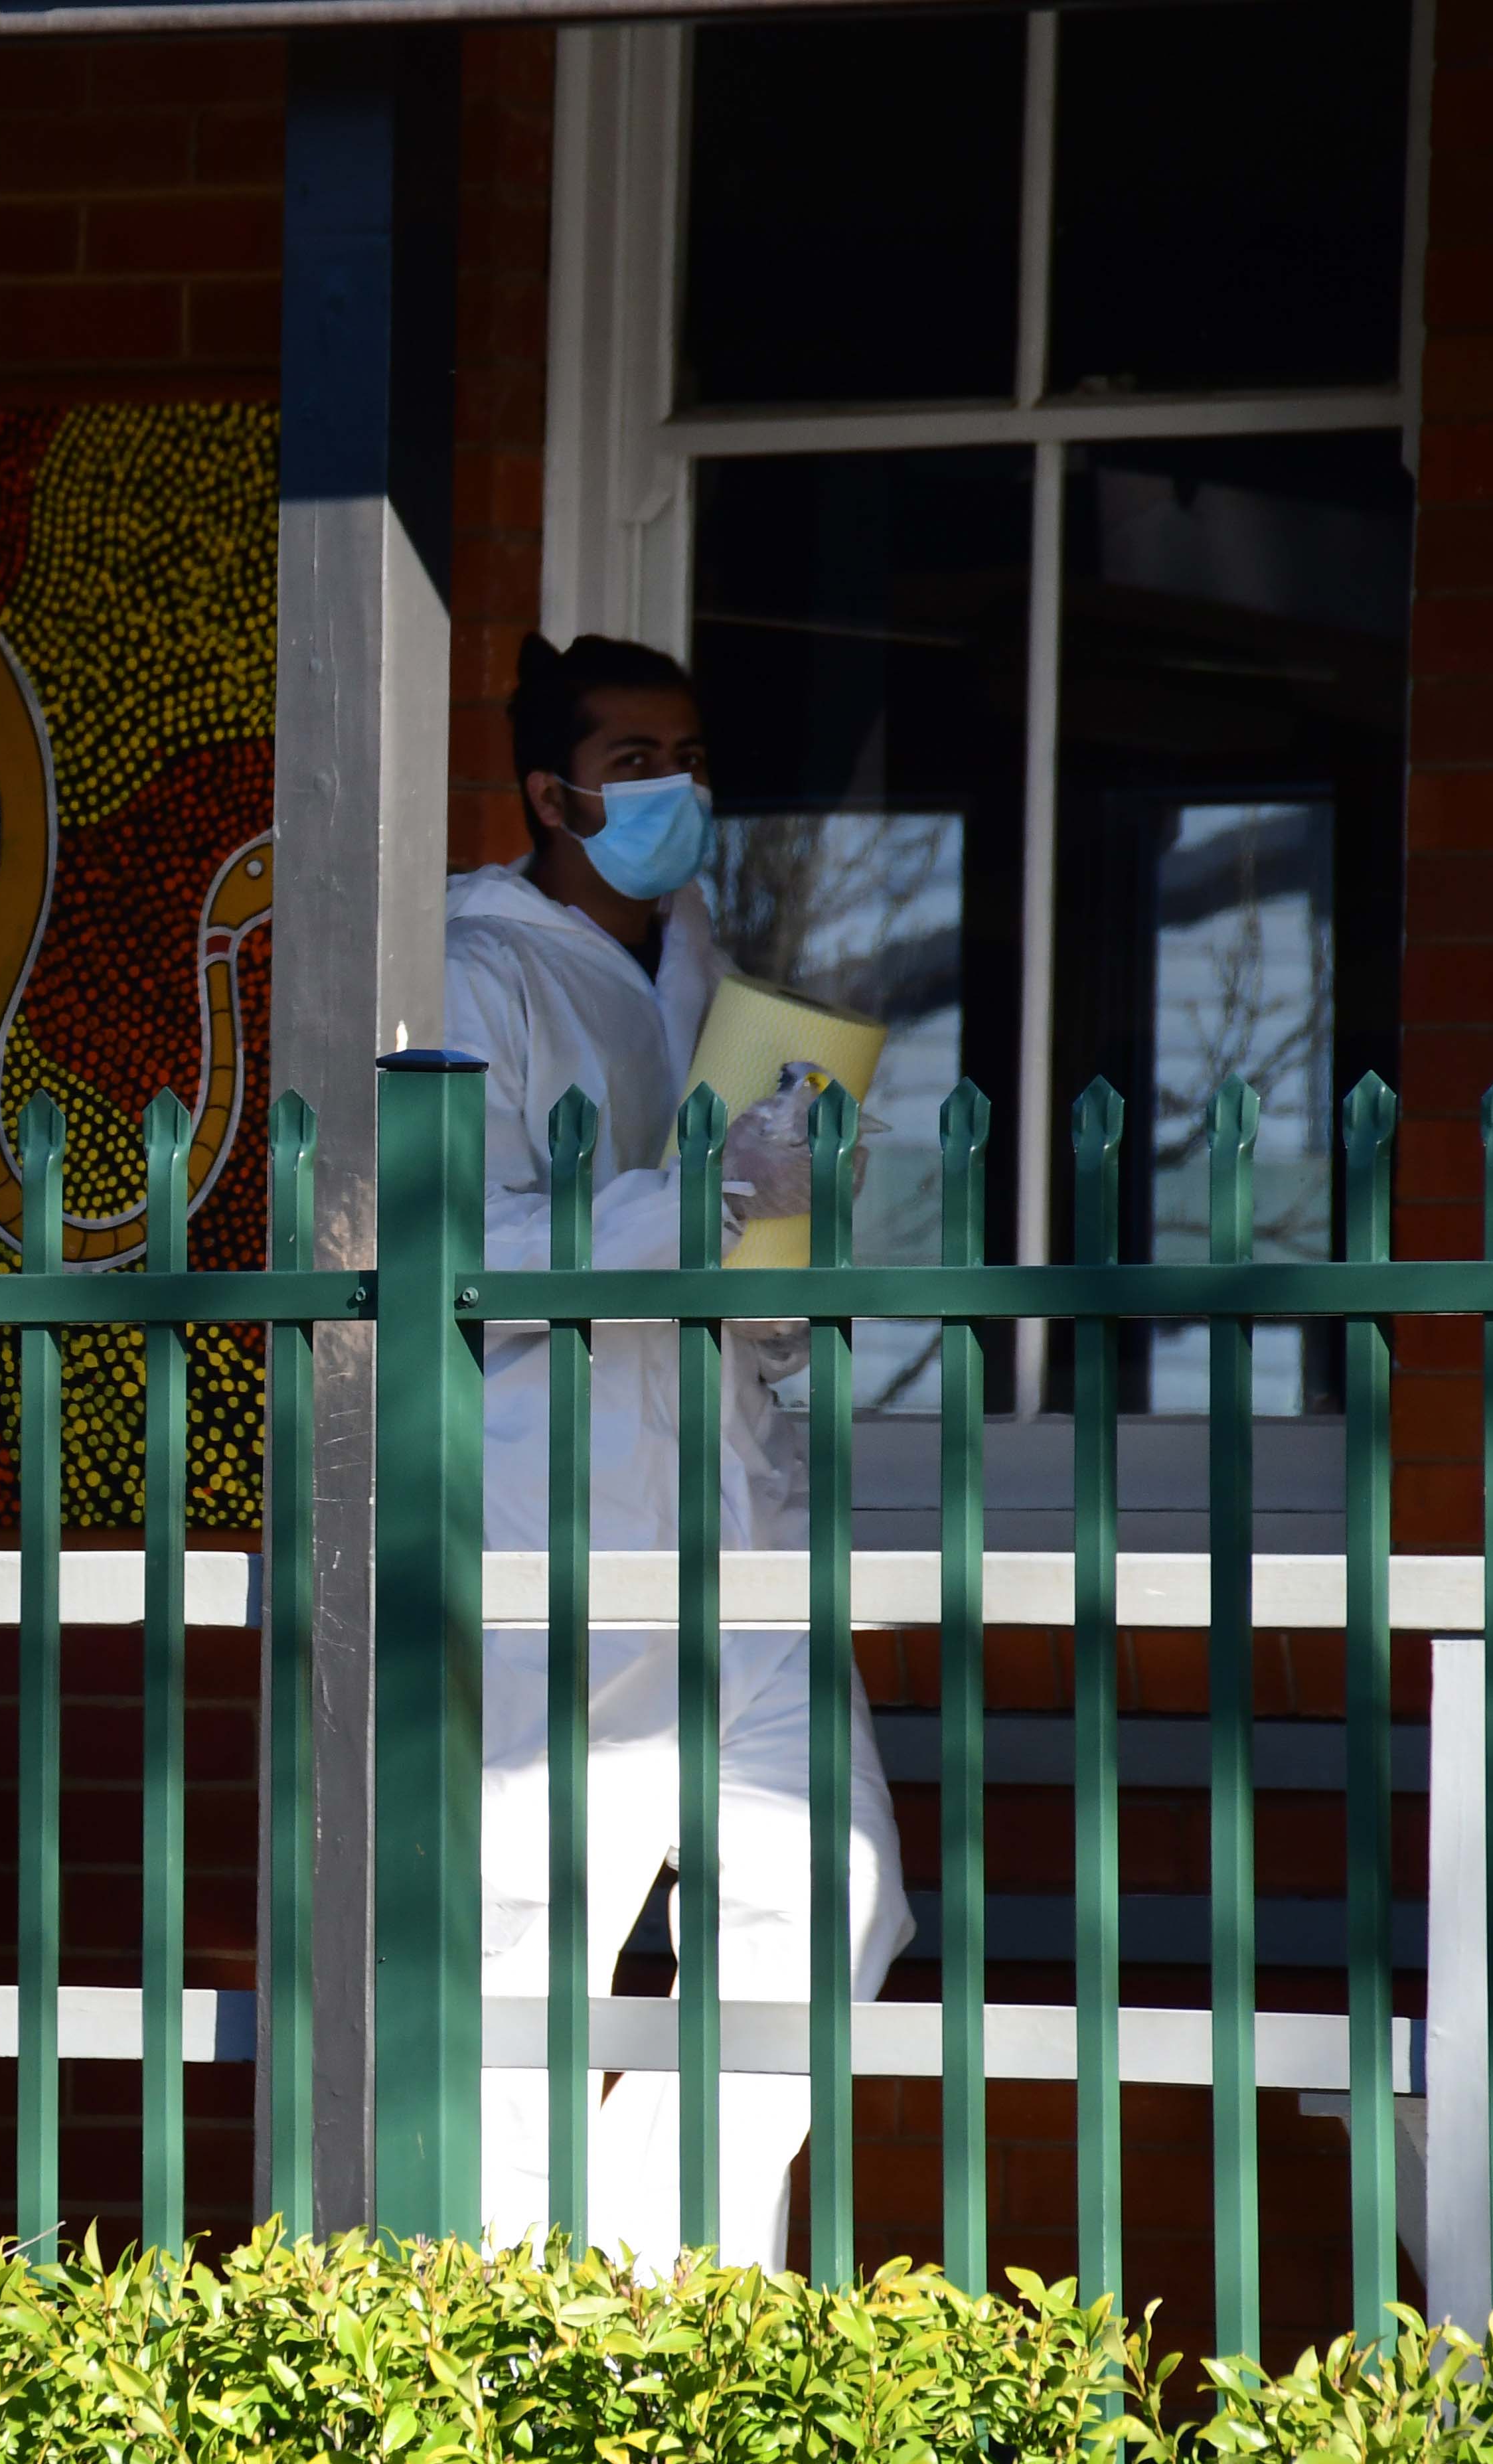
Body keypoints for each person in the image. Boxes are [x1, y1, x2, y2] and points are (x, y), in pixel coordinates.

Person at [447, 633, 913, 2270]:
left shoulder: (707, 965)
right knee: (528, 1934)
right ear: (549, 791)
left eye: (692, 755)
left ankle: (667, 2279)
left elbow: (745, 1290)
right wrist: (695, 1202)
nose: (673, 789)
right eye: (635, 759)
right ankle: (498, 2307)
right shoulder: (471, 963)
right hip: (556, 1513)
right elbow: (469, 1244)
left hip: (737, 1514)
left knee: (828, 1895)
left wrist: (781, 1251)